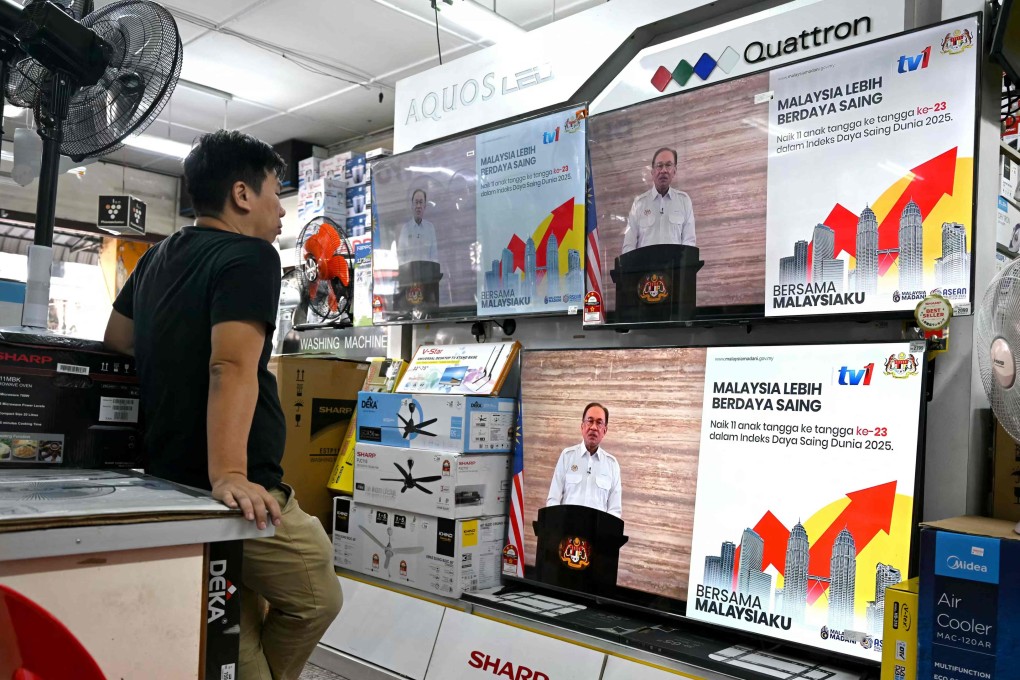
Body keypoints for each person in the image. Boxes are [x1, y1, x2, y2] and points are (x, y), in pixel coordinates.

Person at [103, 130, 342, 680]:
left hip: (168, 479)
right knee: (317, 596)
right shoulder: (250, 255)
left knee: (234, 629)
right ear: (241, 194)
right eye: (275, 193)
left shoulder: (157, 257)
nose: (281, 210)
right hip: (239, 491)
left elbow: (118, 337)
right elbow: (231, 365)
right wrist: (230, 473)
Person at [546, 403, 622, 518]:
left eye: (599, 423)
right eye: (590, 421)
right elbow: (553, 500)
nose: (593, 427)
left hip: (597, 530)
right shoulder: (567, 456)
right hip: (567, 528)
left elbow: (614, 511)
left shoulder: (612, 464)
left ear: (604, 431)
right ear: (582, 426)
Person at [621, 147, 696, 254]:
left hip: (674, 264)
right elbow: (628, 246)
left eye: (668, 165)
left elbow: (689, 243)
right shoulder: (639, 204)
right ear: (652, 172)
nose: (663, 170)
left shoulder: (684, 201)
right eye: (659, 165)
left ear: (674, 171)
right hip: (645, 264)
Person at [395, 189, 439, 264]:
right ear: (412, 206)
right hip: (410, 270)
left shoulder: (430, 228)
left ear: (424, 206)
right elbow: (400, 256)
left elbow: (434, 256)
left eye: (421, 202)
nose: (418, 206)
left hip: (427, 270)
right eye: (416, 202)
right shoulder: (405, 229)